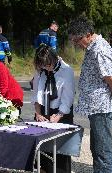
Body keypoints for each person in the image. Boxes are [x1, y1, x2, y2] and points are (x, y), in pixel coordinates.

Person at [68, 16, 112, 173]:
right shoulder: (92, 47)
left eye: (77, 40)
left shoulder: (99, 50)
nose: (76, 44)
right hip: (96, 108)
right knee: (97, 149)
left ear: (88, 34)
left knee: (103, 152)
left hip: (101, 108)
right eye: (73, 41)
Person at [31, 44, 75, 173]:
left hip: (62, 112)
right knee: (42, 146)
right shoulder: (40, 70)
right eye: (43, 66)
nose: (46, 68)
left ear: (54, 59)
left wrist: (59, 115)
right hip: (43, 110)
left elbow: (68, 98)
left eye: (48, 65)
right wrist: (38, 113)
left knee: (60, 149)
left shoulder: (66, 70)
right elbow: (36, 93)